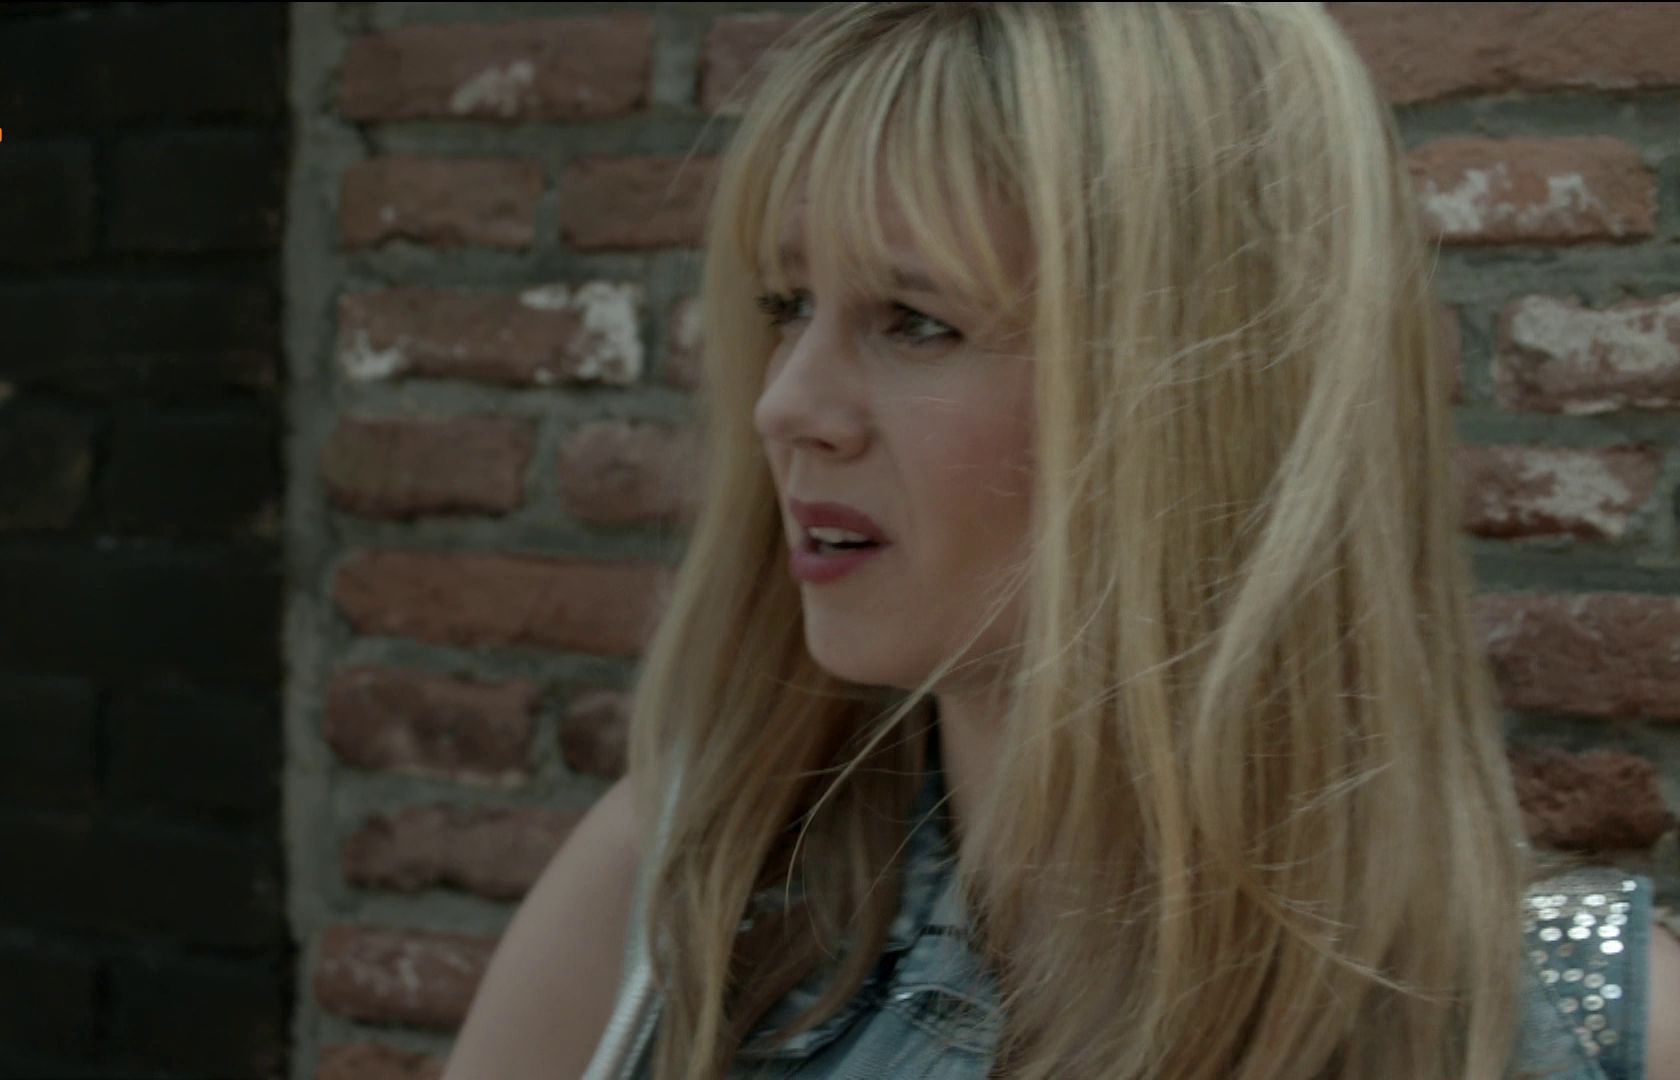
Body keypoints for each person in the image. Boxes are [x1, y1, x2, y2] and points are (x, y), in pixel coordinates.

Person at [443, 4, 1680, 1078]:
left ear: (1197, 393)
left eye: (915, 320)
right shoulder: (683, 905)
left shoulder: (1570, 1033)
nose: (786, 406)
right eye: (788, 306)